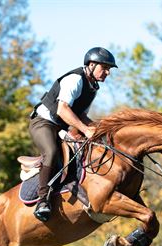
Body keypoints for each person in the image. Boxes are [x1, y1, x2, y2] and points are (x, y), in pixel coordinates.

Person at [29, 47, 117, 222]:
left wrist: (101, 131)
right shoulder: (75, 79)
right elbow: (63, 109)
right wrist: (85, 130)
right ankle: (43, 200)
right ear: (91, 65)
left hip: (61, 127)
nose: (107, 72)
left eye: (109, 69)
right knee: (52, 152)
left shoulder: (93, 87)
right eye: (104, 68)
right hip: (43, 123)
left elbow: (81, 115)